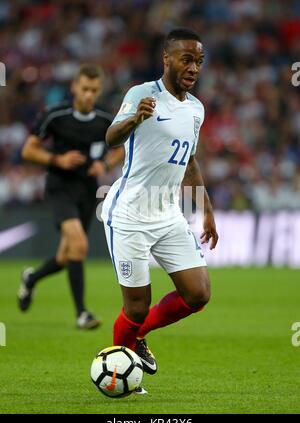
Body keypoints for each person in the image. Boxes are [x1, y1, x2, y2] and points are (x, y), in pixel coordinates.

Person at [101, 28, 218, 377]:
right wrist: (134, 117)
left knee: (198, 294)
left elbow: (190, 161)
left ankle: (138, 338)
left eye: (198, 61)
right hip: (131, 215)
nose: (193, 68)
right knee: (135, 308)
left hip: (168, 215)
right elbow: (110, 138)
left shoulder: (196, 109)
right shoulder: (142, 93)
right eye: (186, 59)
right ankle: (118, 367)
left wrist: (206, 210)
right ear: (166, 58)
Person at [18, 64, 124, 329]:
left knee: (67, 256)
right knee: (79, 245)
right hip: (59, 187)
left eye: (94, 90)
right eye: (85, 89)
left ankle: (31, 279)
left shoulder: (104, 120)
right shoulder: (55, 115)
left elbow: (121, 148)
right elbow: (28, 150)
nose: (89, 95)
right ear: (75, 87)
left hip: (87, 191)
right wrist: (57, 159)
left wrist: (106, 165)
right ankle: (82, 314)